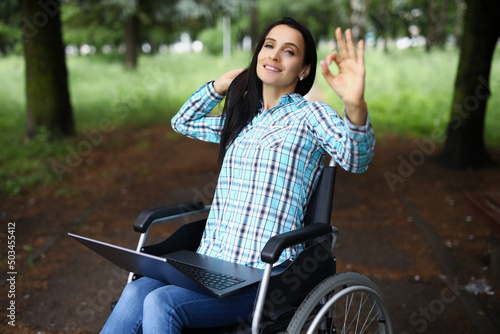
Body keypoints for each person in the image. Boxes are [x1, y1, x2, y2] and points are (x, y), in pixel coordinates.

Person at [101, 17, 374, 333]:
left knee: (160, 303)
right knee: (137, 290)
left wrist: (355, 106)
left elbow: (355, 159)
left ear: (304, 69)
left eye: (289, 51)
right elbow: (182, 122)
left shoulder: (310, 116)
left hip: (266, 276)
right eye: (269, 46)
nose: (273, 55)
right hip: (210, 265)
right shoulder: (243, 120)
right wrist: (220, 85)